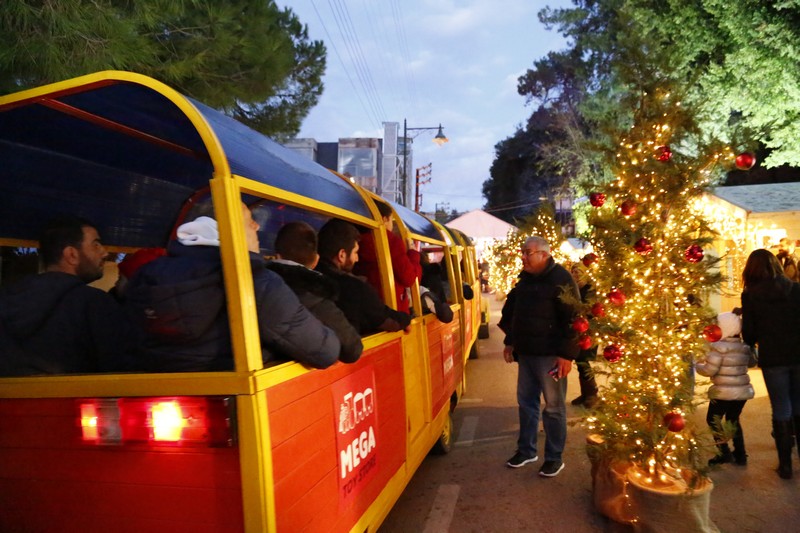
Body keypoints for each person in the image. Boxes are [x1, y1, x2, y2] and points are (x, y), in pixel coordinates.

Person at [125, 203, 340, 372]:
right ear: (228, 230)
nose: (256, 226)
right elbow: (323, 350)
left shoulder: (145, 277)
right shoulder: (255, 281)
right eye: (249, 221)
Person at [0, 215, 137, 375]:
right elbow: (122, 368)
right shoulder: (94, 304)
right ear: (71, 254)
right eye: (96, 245)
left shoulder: (6, 298)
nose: (104, 253)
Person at [498, 236, 580, 478]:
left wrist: (566, 355)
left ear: (544, 254)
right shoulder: (525, 281)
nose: (523, 257)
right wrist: (510, 341)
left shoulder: (561, 279)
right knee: (526, 404)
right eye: (522, 252)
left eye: (528, 252)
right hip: (527, 355)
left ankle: (554, 458)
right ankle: (526, 451)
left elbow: (574, 319)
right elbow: (513, 313)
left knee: (553, 408)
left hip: (551, 357)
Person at [741, 248, 800, 479]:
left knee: (781, 407)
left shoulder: (751, 295)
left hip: (773, 359)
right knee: (799, 405)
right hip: (799, 356)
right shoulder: (796, 290)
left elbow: (749, 334)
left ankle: (785, 466)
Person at [267, 221, 363, 364]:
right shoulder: (316, 295)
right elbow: (352, 349)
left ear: (277, 256)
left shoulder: (261, 287)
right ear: (316, 260)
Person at [316, 218, 411, 335]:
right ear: (342, 255)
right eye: (355, 252)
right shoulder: (354, 288)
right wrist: (407, 319)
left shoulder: (306, 276)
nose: (357, 258)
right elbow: (387, 319)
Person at [696, 311, 754, 466]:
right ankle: (740, 454)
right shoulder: (743, 346)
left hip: (722, 392)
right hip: (743, 392)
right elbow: (751, 363)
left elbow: (709, 370)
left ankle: (724, 452)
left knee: (713, 420)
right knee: (732, 420)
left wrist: (697, 365)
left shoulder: (718, 348)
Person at [353, 201, 421, 314]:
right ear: (384, 219)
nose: (391, 225)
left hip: (365, 309)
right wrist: (413, 254)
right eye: (391, 220)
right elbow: (409, 278)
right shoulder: (391, 242)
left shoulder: (355, 239)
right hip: (393, 311)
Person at [569, 263, 599, 409]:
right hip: (578, 330)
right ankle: (586, 393)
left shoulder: (590, 290)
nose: (576, 275)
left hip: (589, 332)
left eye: (579, 272)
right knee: (580, 362)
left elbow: (591, 309)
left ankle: (592, 394)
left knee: (584, 361)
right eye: (573, 272)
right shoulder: (574, 289)